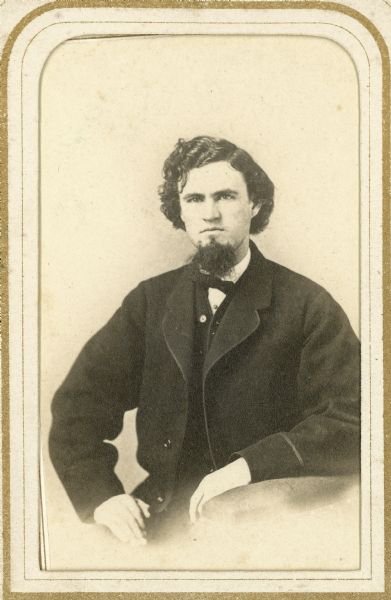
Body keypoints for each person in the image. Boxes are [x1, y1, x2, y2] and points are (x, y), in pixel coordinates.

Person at [49, 135, 360, 545]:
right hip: (163, 516)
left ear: (256, 204)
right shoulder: (150, 300)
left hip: (272, 518)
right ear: (180, 211)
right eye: (194, 199)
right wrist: (102, 497)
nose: (210, 213)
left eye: (226, 196)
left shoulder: (307, 303)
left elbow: (355, 418)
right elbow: (77, 408)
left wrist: (248, 466)